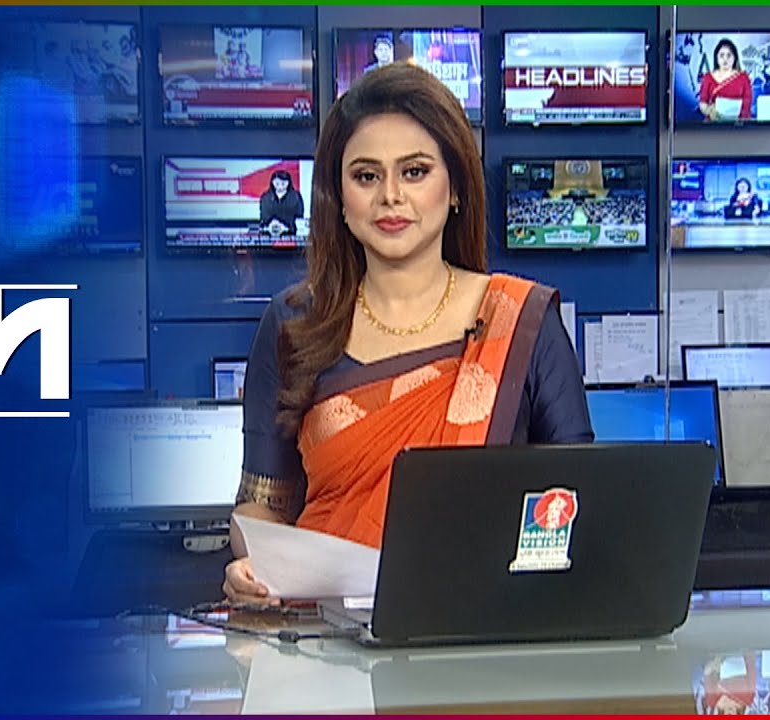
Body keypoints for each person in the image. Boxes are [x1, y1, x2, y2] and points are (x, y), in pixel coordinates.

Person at [223, 63, 594, 604]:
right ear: (338, 198)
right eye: (366, 176)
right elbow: (261, 504)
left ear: (456, 187)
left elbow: (577, 501)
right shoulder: (292, 324)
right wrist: (253, 567)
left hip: (487, 624)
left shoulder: (522, 322)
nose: (390, 196)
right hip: (326, 631)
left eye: (415, 172)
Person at [698, 38, 753, 122]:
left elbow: (747, 104)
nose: (725, 59)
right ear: (716, 57)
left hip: (737, 126)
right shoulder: (708, 77)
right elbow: (703, 103)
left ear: (735, 58)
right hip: (713, 125)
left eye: (729, 55)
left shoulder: (743, 78)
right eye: (721, 55)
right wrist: (710, 111)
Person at [258, 170, 305, 237]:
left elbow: (299, 217)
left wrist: (286, 226)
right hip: (269, 234)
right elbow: (264, 216)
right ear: (272, 182)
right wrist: (272, 224)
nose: (280, 186)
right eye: (277, 183)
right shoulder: (266, 197)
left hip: (291, 234)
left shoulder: (296, 197)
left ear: (288, 182)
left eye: (283, 183)